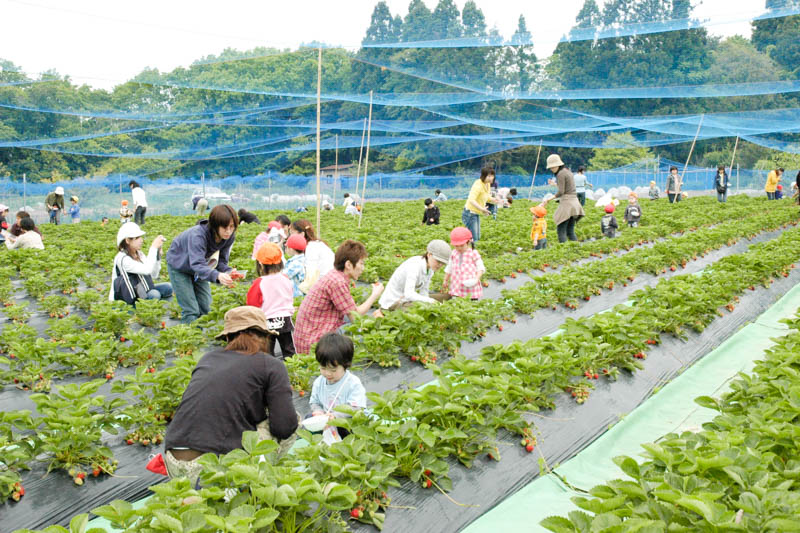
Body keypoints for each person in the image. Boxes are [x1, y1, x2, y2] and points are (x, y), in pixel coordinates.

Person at [163, 306, 298, 484]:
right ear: (265, 337)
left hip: (172, 459)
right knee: (293, 417)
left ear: (228, 337)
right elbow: (284, 426)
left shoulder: (208, 358)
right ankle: (258, 484)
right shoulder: (271, 365)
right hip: (212, 469)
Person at [292, 240, 384, 354]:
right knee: (359, 329)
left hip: (307, 336)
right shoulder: (337, 282)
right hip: (313, 343)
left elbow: (350, 309)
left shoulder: (334, 275)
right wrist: (374, 295)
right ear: (349, 265)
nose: (363, 268)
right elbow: (355, 317)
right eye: (361, 263)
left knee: (350, 321)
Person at [166, 205, 243, 324]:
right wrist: (217, 275)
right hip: (179, 266)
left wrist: (228, 271)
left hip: (201, 267)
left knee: (206, 307)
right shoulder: (198, 235)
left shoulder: (229, 237)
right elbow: (197, 264)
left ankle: (200, 337)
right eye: (224, 227)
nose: (228, 231)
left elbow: (221, 261)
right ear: (215, 225)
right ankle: (190, 340)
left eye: (232, 227)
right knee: (191, 309)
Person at [308, 333, 366, 439]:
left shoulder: (352, 383)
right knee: (308, 419)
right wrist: (318, 412)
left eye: (333, 370)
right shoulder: (319, 382)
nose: (328, 373)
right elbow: (314, 402)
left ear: (345, 365)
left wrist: (336, 416)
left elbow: (356, 407)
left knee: (347, 429)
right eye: (323, 368)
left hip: (344, 422)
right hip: (326, 422)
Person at [246, 243, 296, 359]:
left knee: (267, 353)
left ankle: (269, 374)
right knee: (289, 351)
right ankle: (293, 373)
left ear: (260, 265)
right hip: (285, 319)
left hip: (266, 321)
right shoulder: (285, 278)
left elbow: (252, 304)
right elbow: (290, 295)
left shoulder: (259, 282)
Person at [377, 239, 451, 313]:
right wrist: (431, 302)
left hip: (406, 300)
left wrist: (429, 304)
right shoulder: (414, 265)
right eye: (438, 261)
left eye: (443, 263)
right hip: (393, 303)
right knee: (423, 309)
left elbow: (424, 292)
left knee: (446, 297)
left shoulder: (430, 269)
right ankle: (381, 312)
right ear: (429, 255)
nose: (440, 265)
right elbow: (409, 294)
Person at [109, 222, 172, 303]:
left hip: (141, 291)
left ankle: (152, 307)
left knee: (168, 287)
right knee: (154, 294)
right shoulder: (122, 258)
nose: (141, 240)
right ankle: (143, 309)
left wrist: (157, 256)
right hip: (127, 297)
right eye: (137, 238)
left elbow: (154, 274)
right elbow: (147, 270)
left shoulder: (139, 253)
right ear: (127, 240)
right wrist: (153, 247)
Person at [541, 154, 585, 243]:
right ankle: (575, 250)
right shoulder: (567, 171)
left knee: (561, 230)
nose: (551, 169)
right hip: (575, 204)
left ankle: (563, 249)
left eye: (552, 167)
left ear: (558, 165)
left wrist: (548, 199)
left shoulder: (560, 174)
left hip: (567, 204)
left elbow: (561, 192)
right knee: (570, 231)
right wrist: (554, 184)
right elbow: (566, 187)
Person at [443, 227, 485, 300]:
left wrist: (476, 278)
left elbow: (480, 267)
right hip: (457, 285)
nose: (459, 248)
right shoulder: (453, 253)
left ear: (468, 242)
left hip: (471, 285)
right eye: (456, 246)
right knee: (458, 303)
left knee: (472, 304)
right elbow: (449, 268)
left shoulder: (473, 253)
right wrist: (445, 280)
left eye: (462, 245)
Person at [291, 219, 334, 290]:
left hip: (325, 285)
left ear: (302, 234)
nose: (290, 237)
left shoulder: (311, 248)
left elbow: (310, 275)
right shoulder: (317, 243)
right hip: (328, 282)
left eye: (292, 233)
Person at [463, 167, 497, 243]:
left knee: (476, 237)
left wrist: (494, 200)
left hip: (475, 213)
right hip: (470, 213)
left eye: (492, 175)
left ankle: (471, 251)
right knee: (474, 238)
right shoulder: (478, 185)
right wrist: (482, 209)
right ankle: (468, 252)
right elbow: (471, 200)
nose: (491, 178)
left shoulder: (487, 184)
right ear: (483, 176)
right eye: (488, 176)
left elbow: (486, 196)